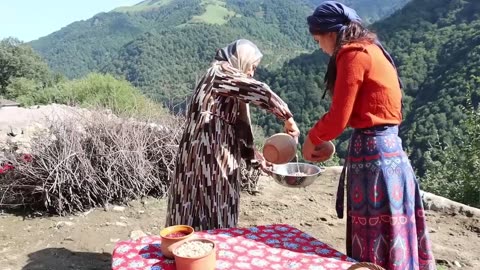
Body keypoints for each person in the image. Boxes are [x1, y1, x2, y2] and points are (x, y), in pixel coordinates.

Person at [302, 2, 436, 269]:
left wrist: (312, 139)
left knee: (373, 228)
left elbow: (338, 117)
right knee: (394, 223)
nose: (320, 47)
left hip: (373, 155)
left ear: (331, 33)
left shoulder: (352, 53)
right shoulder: (372, 49)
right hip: (391, 150)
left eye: (318, 39)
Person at [166, 39, 300, 231]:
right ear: (241, 59)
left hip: (201, 150)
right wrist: (287, 117)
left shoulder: (223, 82)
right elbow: (258, 89)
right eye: (252, 67)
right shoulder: (220, 71)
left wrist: (258, 159)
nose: (252, 73)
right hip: (210, 152)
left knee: (193, 201)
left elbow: (240, 129)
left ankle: (190, 249)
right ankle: (208, 248)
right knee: (214, 201)